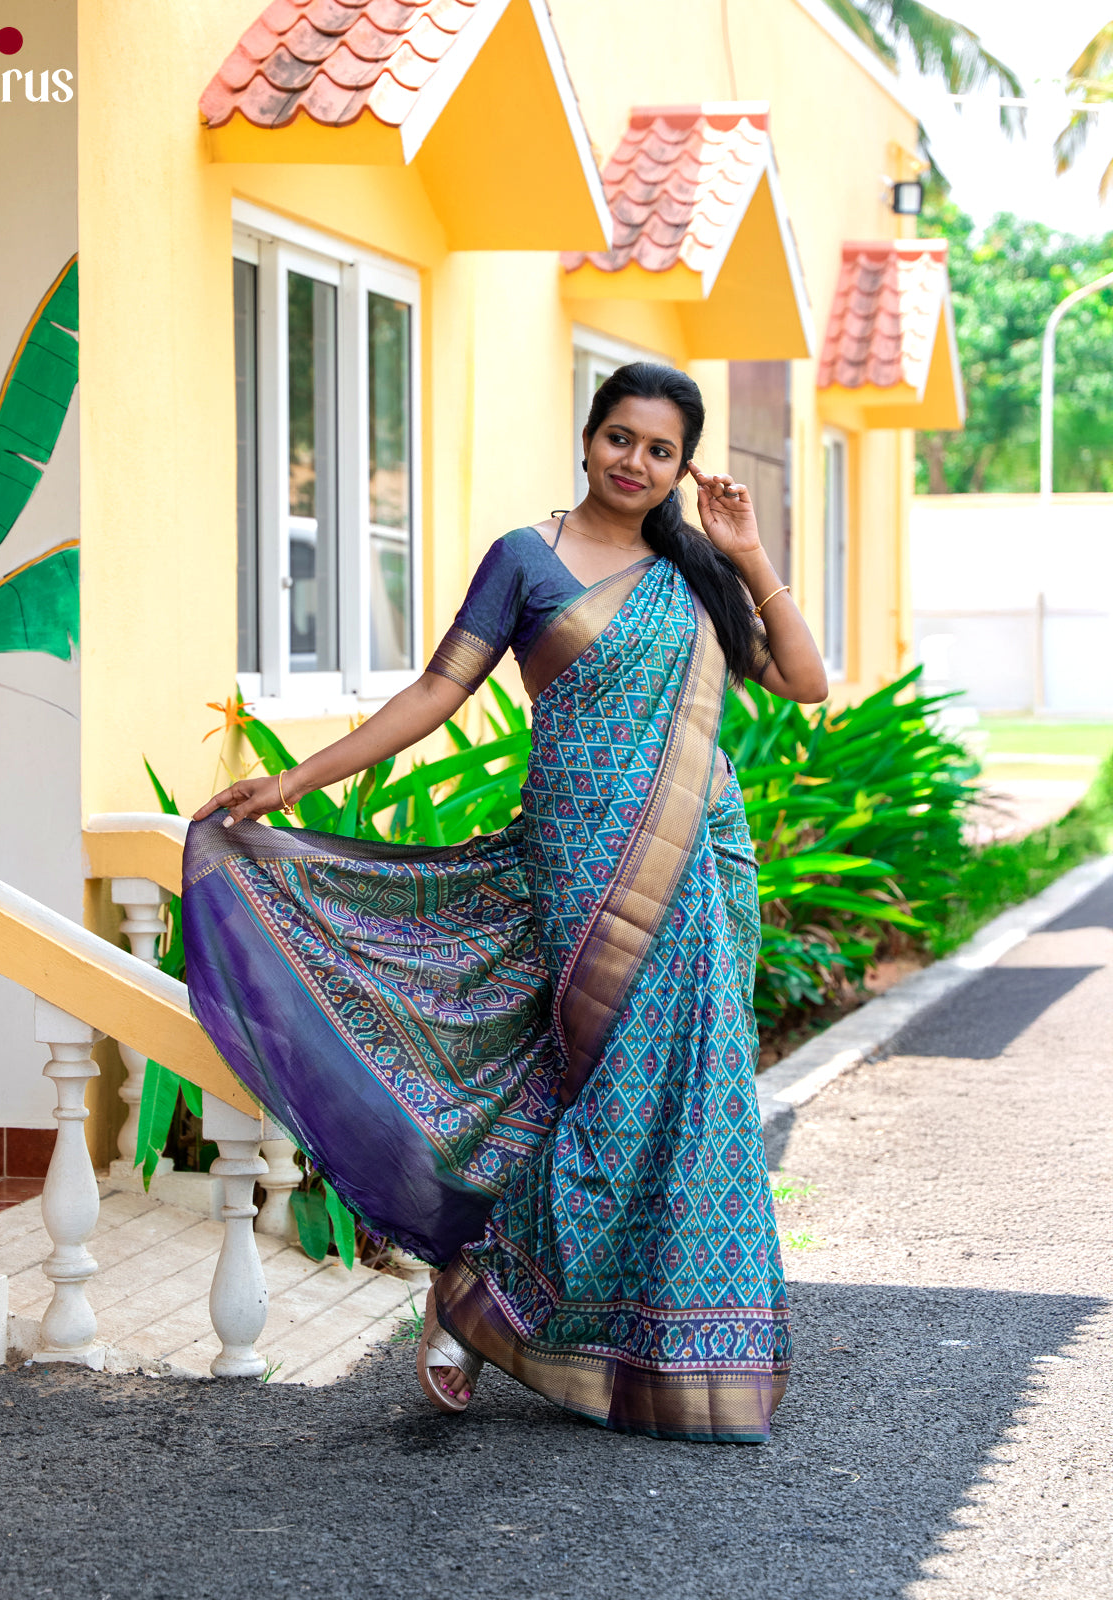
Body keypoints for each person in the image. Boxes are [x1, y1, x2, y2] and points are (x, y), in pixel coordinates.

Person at [187, 362, 828, 1442]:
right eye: (620, 436)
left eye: (660, 449)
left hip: (699, 859)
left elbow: (803, 680)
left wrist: (749, 552)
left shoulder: (696, 565)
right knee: (617, 1099)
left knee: (690, 1103)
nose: (635, 461)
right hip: (580, 856)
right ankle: (480, 1294)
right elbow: (439, 691)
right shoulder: (525, 561)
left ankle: (658, 1343)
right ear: (588, 437)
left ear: (680, 466)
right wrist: (296, 781)